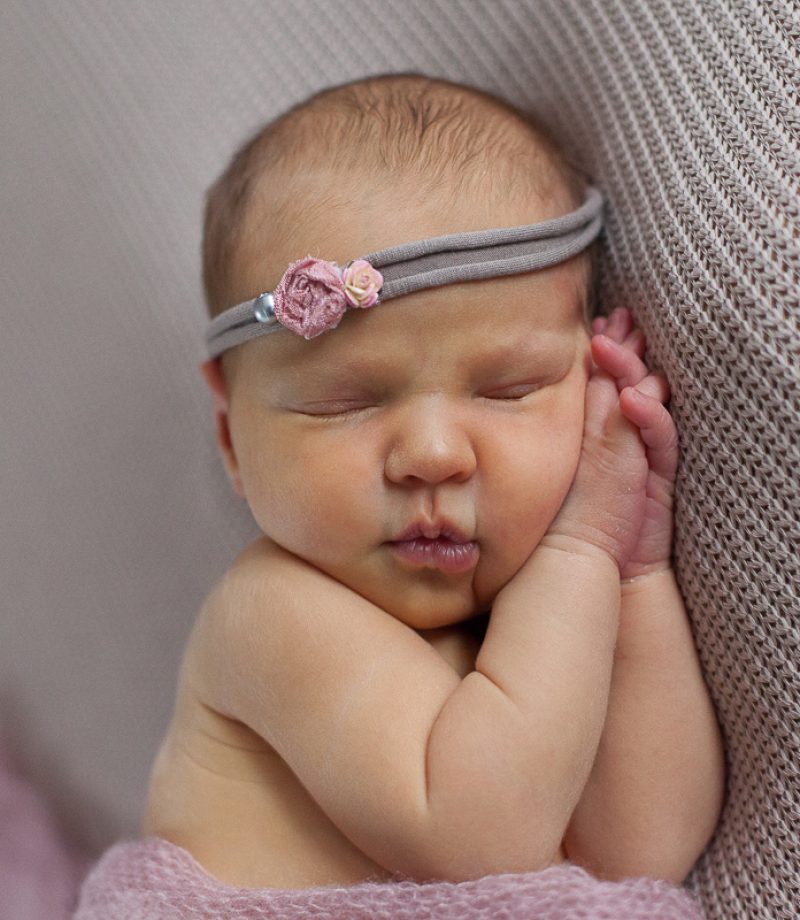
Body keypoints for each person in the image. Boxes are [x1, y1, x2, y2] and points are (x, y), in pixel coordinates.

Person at [141, 73, 725, 891]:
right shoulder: (270, 615)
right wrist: (580, 546)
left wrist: (630, 572)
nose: (434, 454)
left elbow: (640, 857)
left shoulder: (526, 626)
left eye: (509, 389)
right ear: (234, 434)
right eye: (343, 402)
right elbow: (484, 841)